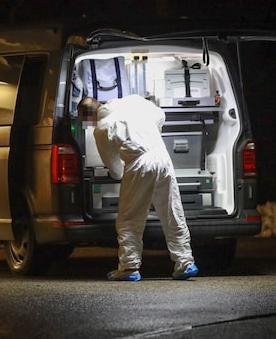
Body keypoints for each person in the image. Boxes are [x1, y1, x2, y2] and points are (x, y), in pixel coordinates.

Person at [77, 95, 198, 281]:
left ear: (88, 118)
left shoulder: (101, 129)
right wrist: (150, 135)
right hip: (162, 157)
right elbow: (160, 116)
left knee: (129, 218)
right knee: (172, 213)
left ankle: (129, 267)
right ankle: (185, 263)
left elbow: (114, 166)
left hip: (138, 164)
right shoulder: (132, 101)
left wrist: (122, 175)